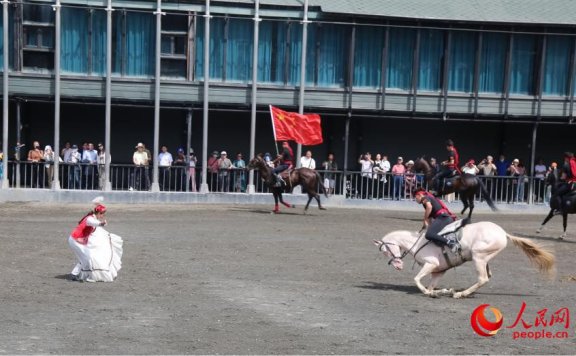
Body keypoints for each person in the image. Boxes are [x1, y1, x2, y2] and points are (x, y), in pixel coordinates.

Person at [67, 200, 123, 282]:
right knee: (87, 258)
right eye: (102, 214)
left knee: (85, 258)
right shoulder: (90, 219)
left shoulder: (92, 217)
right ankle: (79, 274)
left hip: (77, 240)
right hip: (75, 240)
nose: (103, 216)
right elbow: (93, 223)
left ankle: (74, 274)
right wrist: (101, 224)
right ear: (98, 213)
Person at [414, 188, 462, 253]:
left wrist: (424, 219)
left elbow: (429, 207)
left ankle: (451, 243)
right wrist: (427, 227)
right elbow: (430, 219)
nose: (415, 200)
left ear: (419, 195)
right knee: (430, 234)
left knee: (428, 235)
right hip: (444, 218)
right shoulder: (427, 199)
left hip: (443, 218)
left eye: (415, 197)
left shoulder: (426, 198)